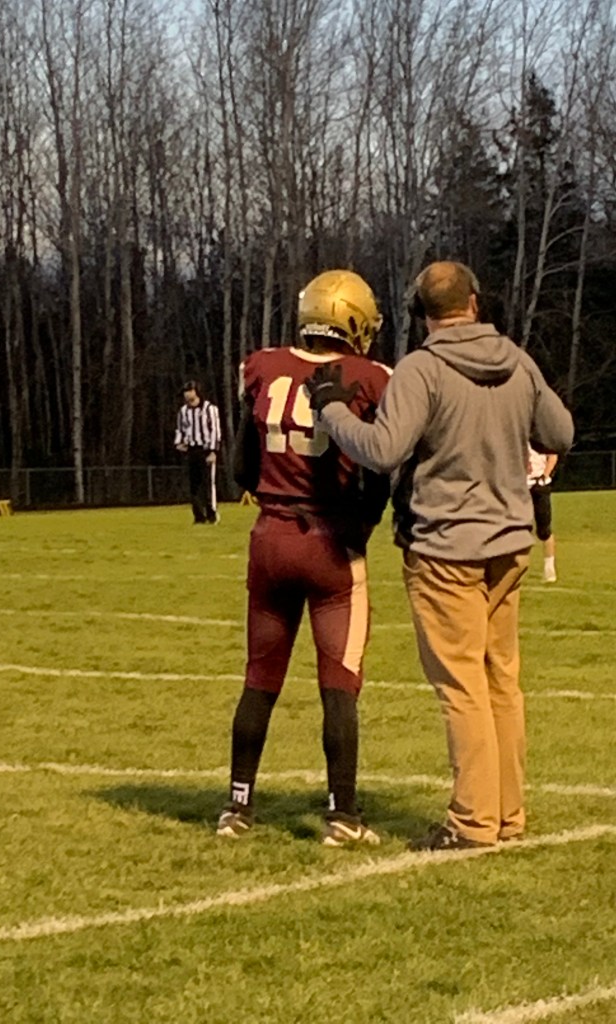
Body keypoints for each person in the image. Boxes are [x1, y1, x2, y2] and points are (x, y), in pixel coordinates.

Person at [305, 260, 574, 851]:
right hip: (510, 544)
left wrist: (332, 410)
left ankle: (473, 821)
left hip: (445, 547)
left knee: (462, 687)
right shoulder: (517, 361)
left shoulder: (421, 369)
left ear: (421, 313)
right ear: (475, 302)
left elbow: (383, 450)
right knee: (501, 682)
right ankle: (507, 814)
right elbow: (560, 433)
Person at [216, 269, 391, 846]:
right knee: (339, 681)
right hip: (331, 541)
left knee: (260, 676)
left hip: (270, 537)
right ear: (352, 321)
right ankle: (343, 814)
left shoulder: (262, 366)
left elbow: (242, 469)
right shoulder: (372, 378)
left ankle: (237, 805)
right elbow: (380, 467)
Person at [174, 380, 222, 524]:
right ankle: (198, 515)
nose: (187, 394)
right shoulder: (183, 411)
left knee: (208, 483)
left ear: (197, 392)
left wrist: (213, 451)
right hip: (192, 450)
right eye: (185, 392)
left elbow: (215, 430)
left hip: (205, 449)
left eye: (190, 391)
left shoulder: (209, 409)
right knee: (194, 485)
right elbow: (180, 429)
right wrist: (179, 443)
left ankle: (211, 513)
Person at [527, 444, 558, 582]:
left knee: (544, 530)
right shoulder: (516, 435)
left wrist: (545, 476)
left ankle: (549, 568)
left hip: (539, 483)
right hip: (520, 485)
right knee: (517, 529)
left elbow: (553, 456)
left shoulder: (541, 438)